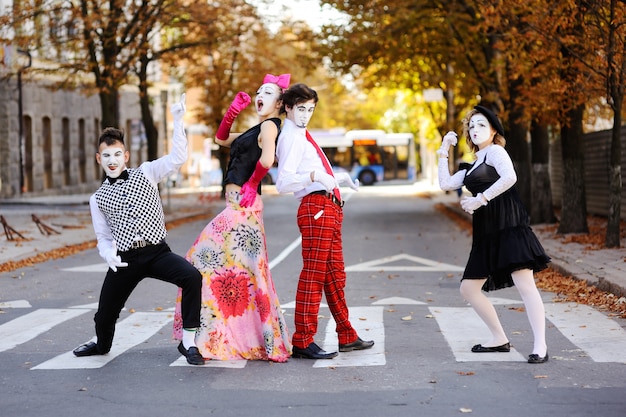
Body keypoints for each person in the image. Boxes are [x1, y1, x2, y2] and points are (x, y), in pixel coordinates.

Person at [73, 94, 205, 365]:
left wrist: (178, 120)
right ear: (99, 158)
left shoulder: (147, 172)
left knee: (191, 277)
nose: (112, 160)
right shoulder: (97, 198)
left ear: (126, 155)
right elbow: (103, 237)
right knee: (105, 314)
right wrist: (108, 254)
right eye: (107, 155)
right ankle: (101, 343)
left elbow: (178, 157)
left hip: (157, 253)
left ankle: (189, 341)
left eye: (117, 154)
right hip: (125, 259)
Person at [172, 74, 292, 362]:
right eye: (259, 91)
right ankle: (234, 335)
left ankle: (215, 334)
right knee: (242, 274)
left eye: (268, 92)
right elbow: (222, 139)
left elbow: (266, 159)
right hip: (241, 206)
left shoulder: (270, 127)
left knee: (202, 258)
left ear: (279, 103)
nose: (260, 95)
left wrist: (251, 185)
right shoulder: (257, 127)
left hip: (244, 207)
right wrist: (233, 111)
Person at [437, 105, 551, 364]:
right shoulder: (473, 164)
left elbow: (510, 177)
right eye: (472, 126)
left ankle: (540, 346)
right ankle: (499, 338)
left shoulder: (496, 152)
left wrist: (480, 199)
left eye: (481, 125)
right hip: (486, 235)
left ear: (494, 131)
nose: (475, 130)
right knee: (468, 289)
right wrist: (444, 149)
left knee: (525, 286)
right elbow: (444, 184)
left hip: (509, 228)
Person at [275, 83, 374, 360]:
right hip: (316, 207)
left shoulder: (301, 134)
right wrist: (316, 178)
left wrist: (336, 179)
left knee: (334, 277)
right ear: (287, 107)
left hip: (327, 206)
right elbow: (283, 182)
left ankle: (346, 334)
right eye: (300, 108)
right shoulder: (292, 137)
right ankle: (303, 340)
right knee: (314, 276)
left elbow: (310, 168)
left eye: (310, 109)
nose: (306, 114)